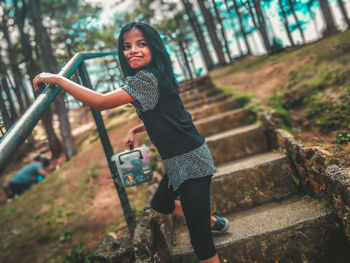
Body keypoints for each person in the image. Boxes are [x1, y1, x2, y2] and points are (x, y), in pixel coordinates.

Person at [33, 22, 228, 262]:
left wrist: (58, 79)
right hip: (180, 159)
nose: (132, 50)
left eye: (141, 44)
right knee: (161, 204)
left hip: (190, 161)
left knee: (200, 241)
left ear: (154, 48)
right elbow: (166, 115)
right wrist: (135, 129)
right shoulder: (155, 76)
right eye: (126, 46)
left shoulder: (146, 79)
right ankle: (213, 221)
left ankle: (204, 223)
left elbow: (101, 102)